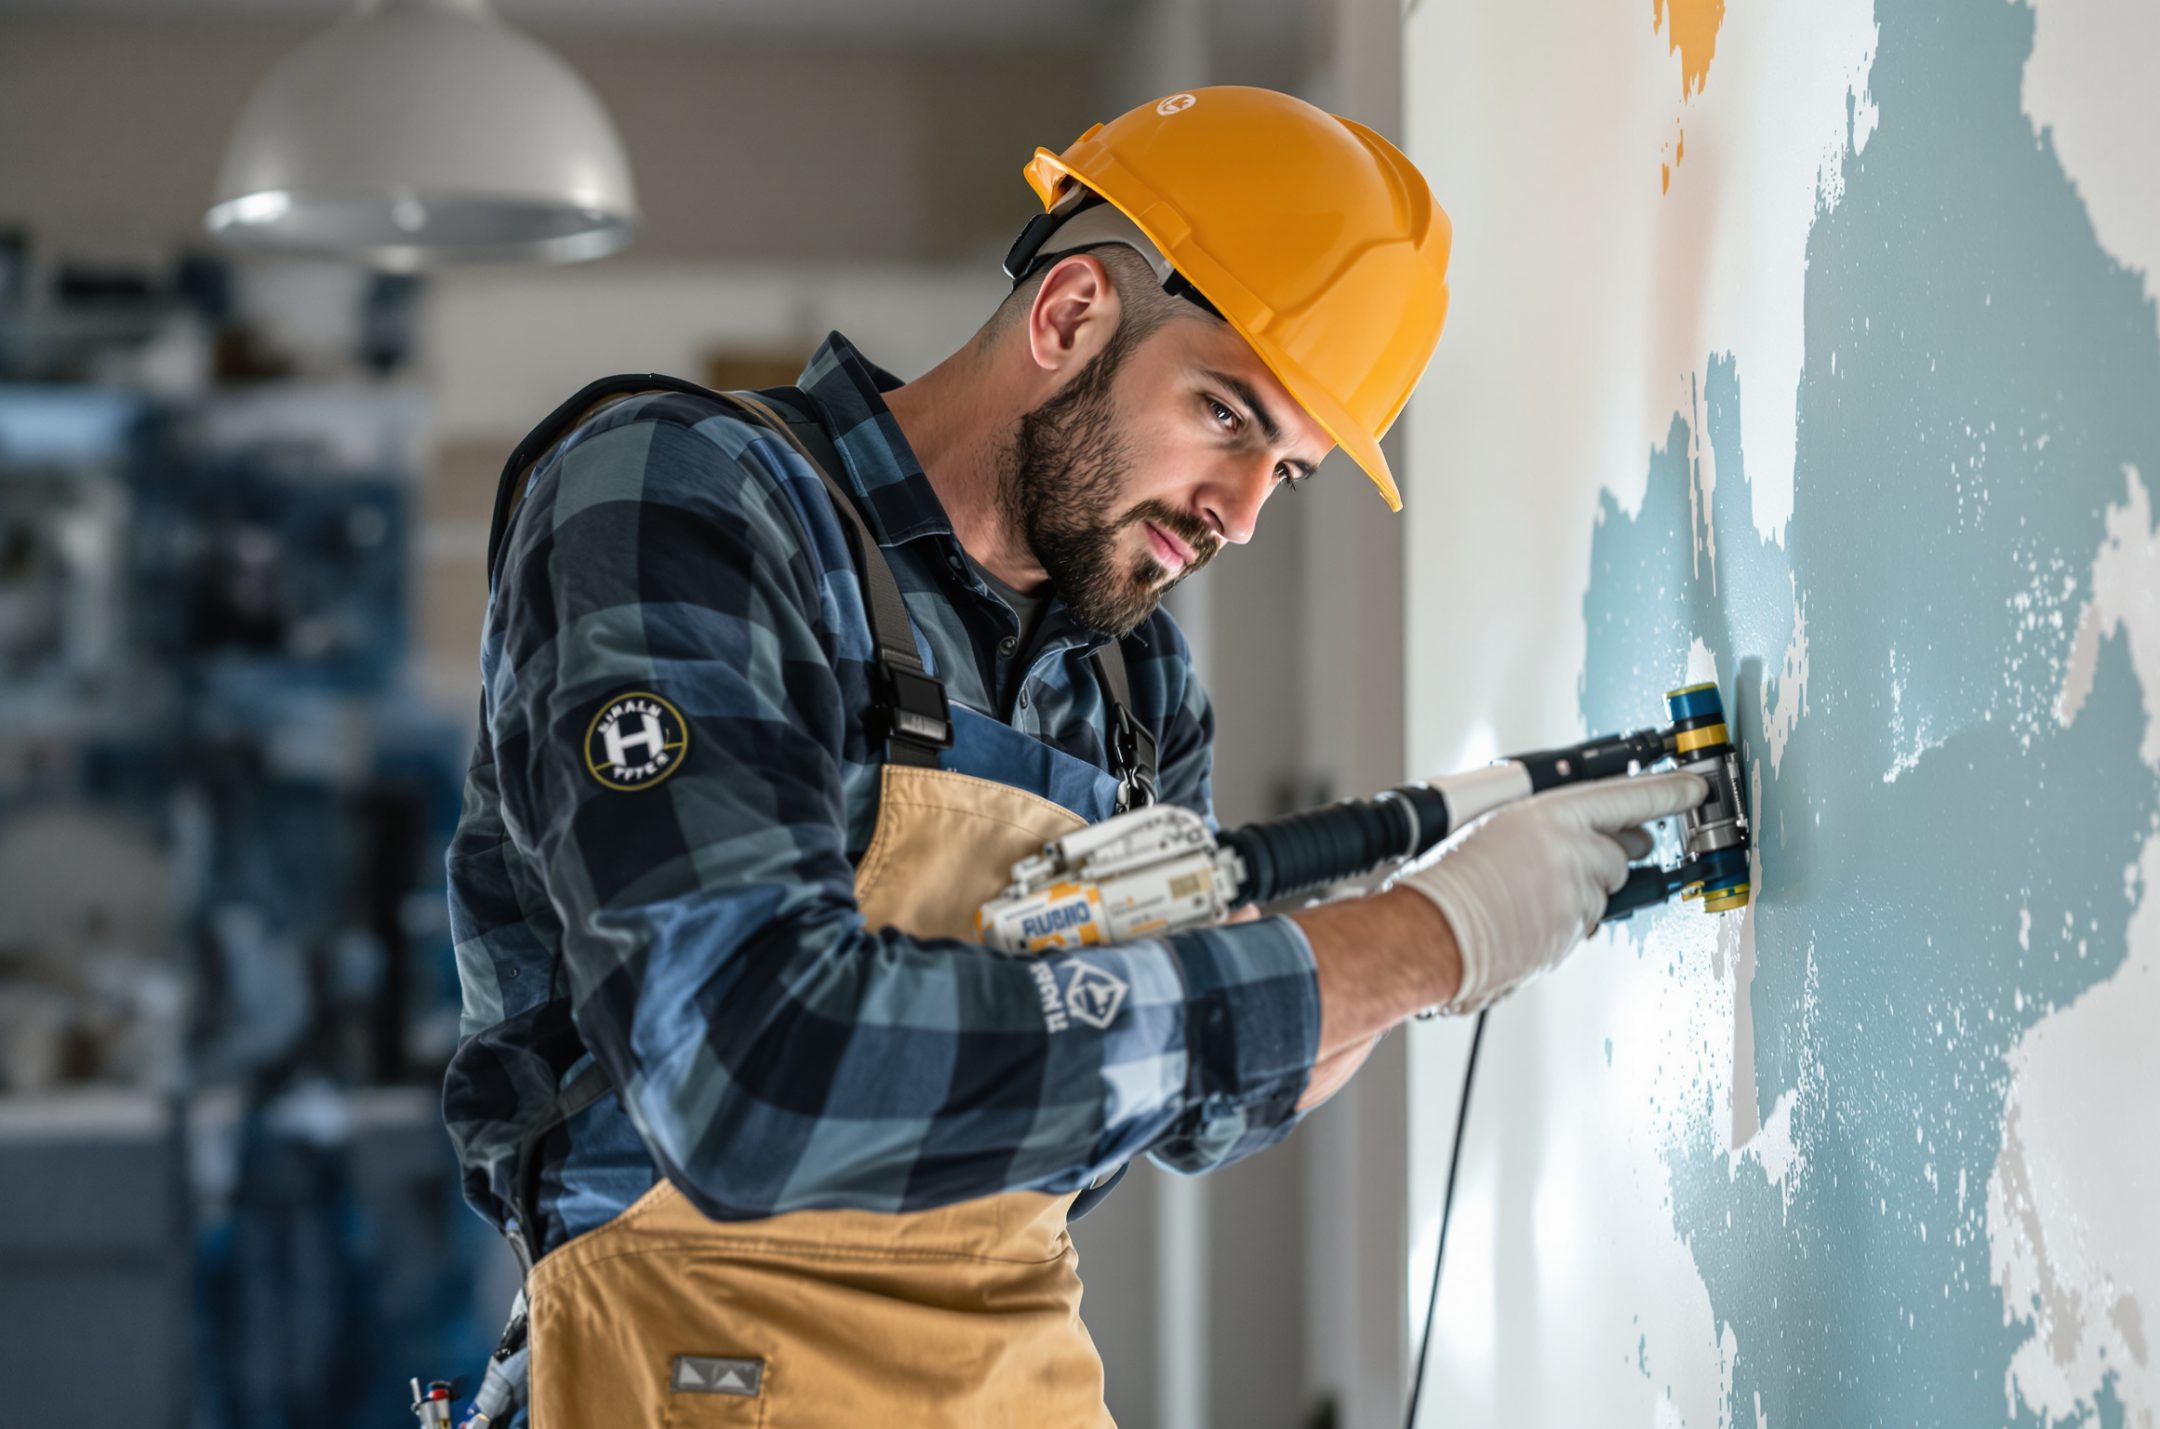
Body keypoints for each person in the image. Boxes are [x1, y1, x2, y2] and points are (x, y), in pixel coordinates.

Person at [441, 84, 1705, 1427]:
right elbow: (751, 1075)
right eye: (1228, 415)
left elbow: (1213, 1092)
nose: (1240, 515)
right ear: (1070, 315)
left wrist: (1465, 918)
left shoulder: (1135, 686)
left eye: (1288, 469)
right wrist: (1411, 939)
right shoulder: (692, 495)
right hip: (686, 1374)